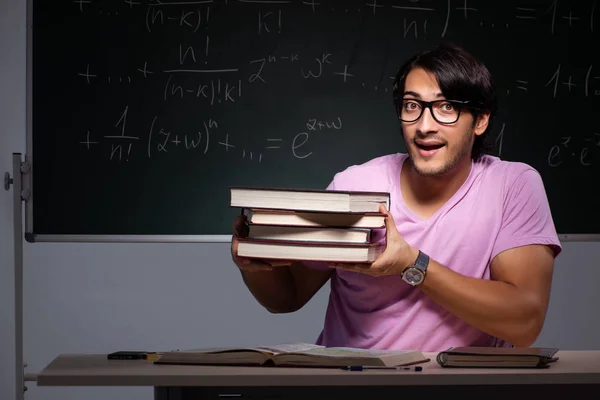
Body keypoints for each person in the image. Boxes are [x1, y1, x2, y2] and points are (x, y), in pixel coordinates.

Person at [230, 43, 562, 352]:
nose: (424, 126)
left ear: (481, 120)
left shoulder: (512, 186)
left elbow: (525, 322)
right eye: (412, 106)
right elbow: (287, 297)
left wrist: (411, 264)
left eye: (446, 107)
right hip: (350, 384)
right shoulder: (355, 186)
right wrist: (255, 265)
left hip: (460, 389)